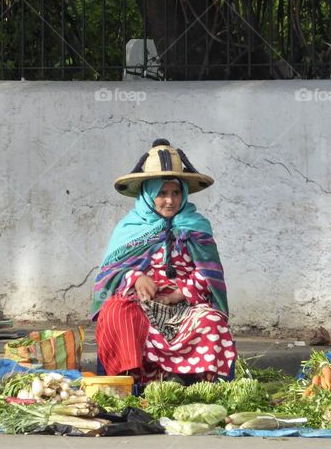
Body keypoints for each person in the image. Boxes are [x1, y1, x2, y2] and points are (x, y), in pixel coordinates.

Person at [92, 139, 235, 384]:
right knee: (116, 311)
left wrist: (179, 293)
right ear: (148, 194)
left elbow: (211, 274)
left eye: (175, 192)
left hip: (186, 306)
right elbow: (108, 275)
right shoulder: (129, 228)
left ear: (183, 193)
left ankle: (184, 380)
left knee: (212, 321)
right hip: (141, 305)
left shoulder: (196, 226)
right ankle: (129, 383)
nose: (170, 200)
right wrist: (135, 277)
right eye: (161, 193)